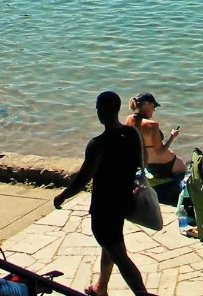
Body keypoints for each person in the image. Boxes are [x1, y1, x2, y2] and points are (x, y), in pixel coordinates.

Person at [53, 91, 150, 296]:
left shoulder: (98, 144)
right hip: (124, 200)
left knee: (119, 255)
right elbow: (141, 163)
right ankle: (101, 287)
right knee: (110, 245)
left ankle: (142, 293)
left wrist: (63, 195)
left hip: (104, 207)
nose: (97, 112)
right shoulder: (131, 134)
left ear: (103, 110)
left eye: (98, 108)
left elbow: (83, 179)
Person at [126, 93, 184, 203]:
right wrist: (172, 137)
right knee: (183, 171)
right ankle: (174, 192)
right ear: (147, 106)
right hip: (166, 163)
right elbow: (160, 152)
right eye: (153, 107)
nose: (154, 110)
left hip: (149, 164)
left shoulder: (129, 120)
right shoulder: (152, 125)